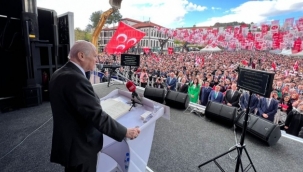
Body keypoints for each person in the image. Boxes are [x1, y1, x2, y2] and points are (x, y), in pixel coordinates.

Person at [49, 40, 140, 172]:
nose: (96, 59)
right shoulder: (75, 79)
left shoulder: (59, 73)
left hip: (69, 142)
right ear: (81, 56)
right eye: (95, 55)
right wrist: (125, 132)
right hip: (80, 147)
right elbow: (96, 115)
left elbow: (78, 105)